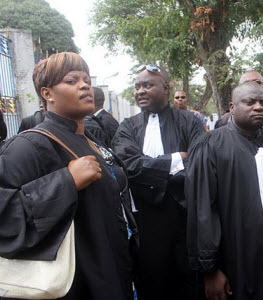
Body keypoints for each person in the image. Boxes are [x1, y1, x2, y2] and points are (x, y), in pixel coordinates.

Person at [0, 52, 137, 300]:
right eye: (71, 80)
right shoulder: (29, 146)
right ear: (47, 94)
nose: (84, 85)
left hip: (115, 268)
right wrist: (66, 181)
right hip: (76, 284)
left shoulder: (90, 139)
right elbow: (5, 215)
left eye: (86, 79)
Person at [186, 81, 263, 300]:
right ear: (232, 107)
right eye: (250, 102)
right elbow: (203, 211)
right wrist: (210, 269)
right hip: (235, 262)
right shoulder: (210, 145)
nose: (258, 107)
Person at [112, 65, 205, 300]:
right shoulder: (127, 127)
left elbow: (198, 163)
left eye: (147, 85)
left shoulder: (190, 121)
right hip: (144, 221)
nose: (140, 91)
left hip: (183, 218)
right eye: (137, 86)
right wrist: (175, 160)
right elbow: (128, 166)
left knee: (187, 283)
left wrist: (151, 167)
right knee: (151, 283)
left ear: (166, 88)